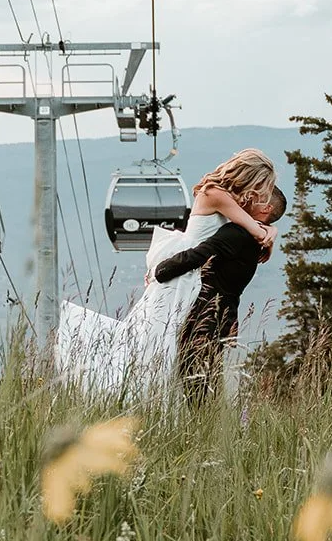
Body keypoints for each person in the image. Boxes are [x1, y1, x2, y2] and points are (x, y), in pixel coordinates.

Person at [56, 148, 277, 396]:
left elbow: (253, 227)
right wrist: (269, 233)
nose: (258, 196)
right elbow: (254, 228)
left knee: (165, 342)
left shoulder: (227, 200)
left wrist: (270, 232)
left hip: (191, 270)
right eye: (260, 188)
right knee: (155, 339)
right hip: (186, 268)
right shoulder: (215, 193)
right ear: (249, 177)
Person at [154, 185, 288, 400]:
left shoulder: (238, 233)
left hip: (206, 315)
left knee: (194, 379)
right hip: (220, 315)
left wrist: (159, 270)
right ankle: (204, 424)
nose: (246, 199)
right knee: (204, 379)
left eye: (255, 197)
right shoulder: (253, 236)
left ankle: (199, 425)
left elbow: (198, 255)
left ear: (266, 208)